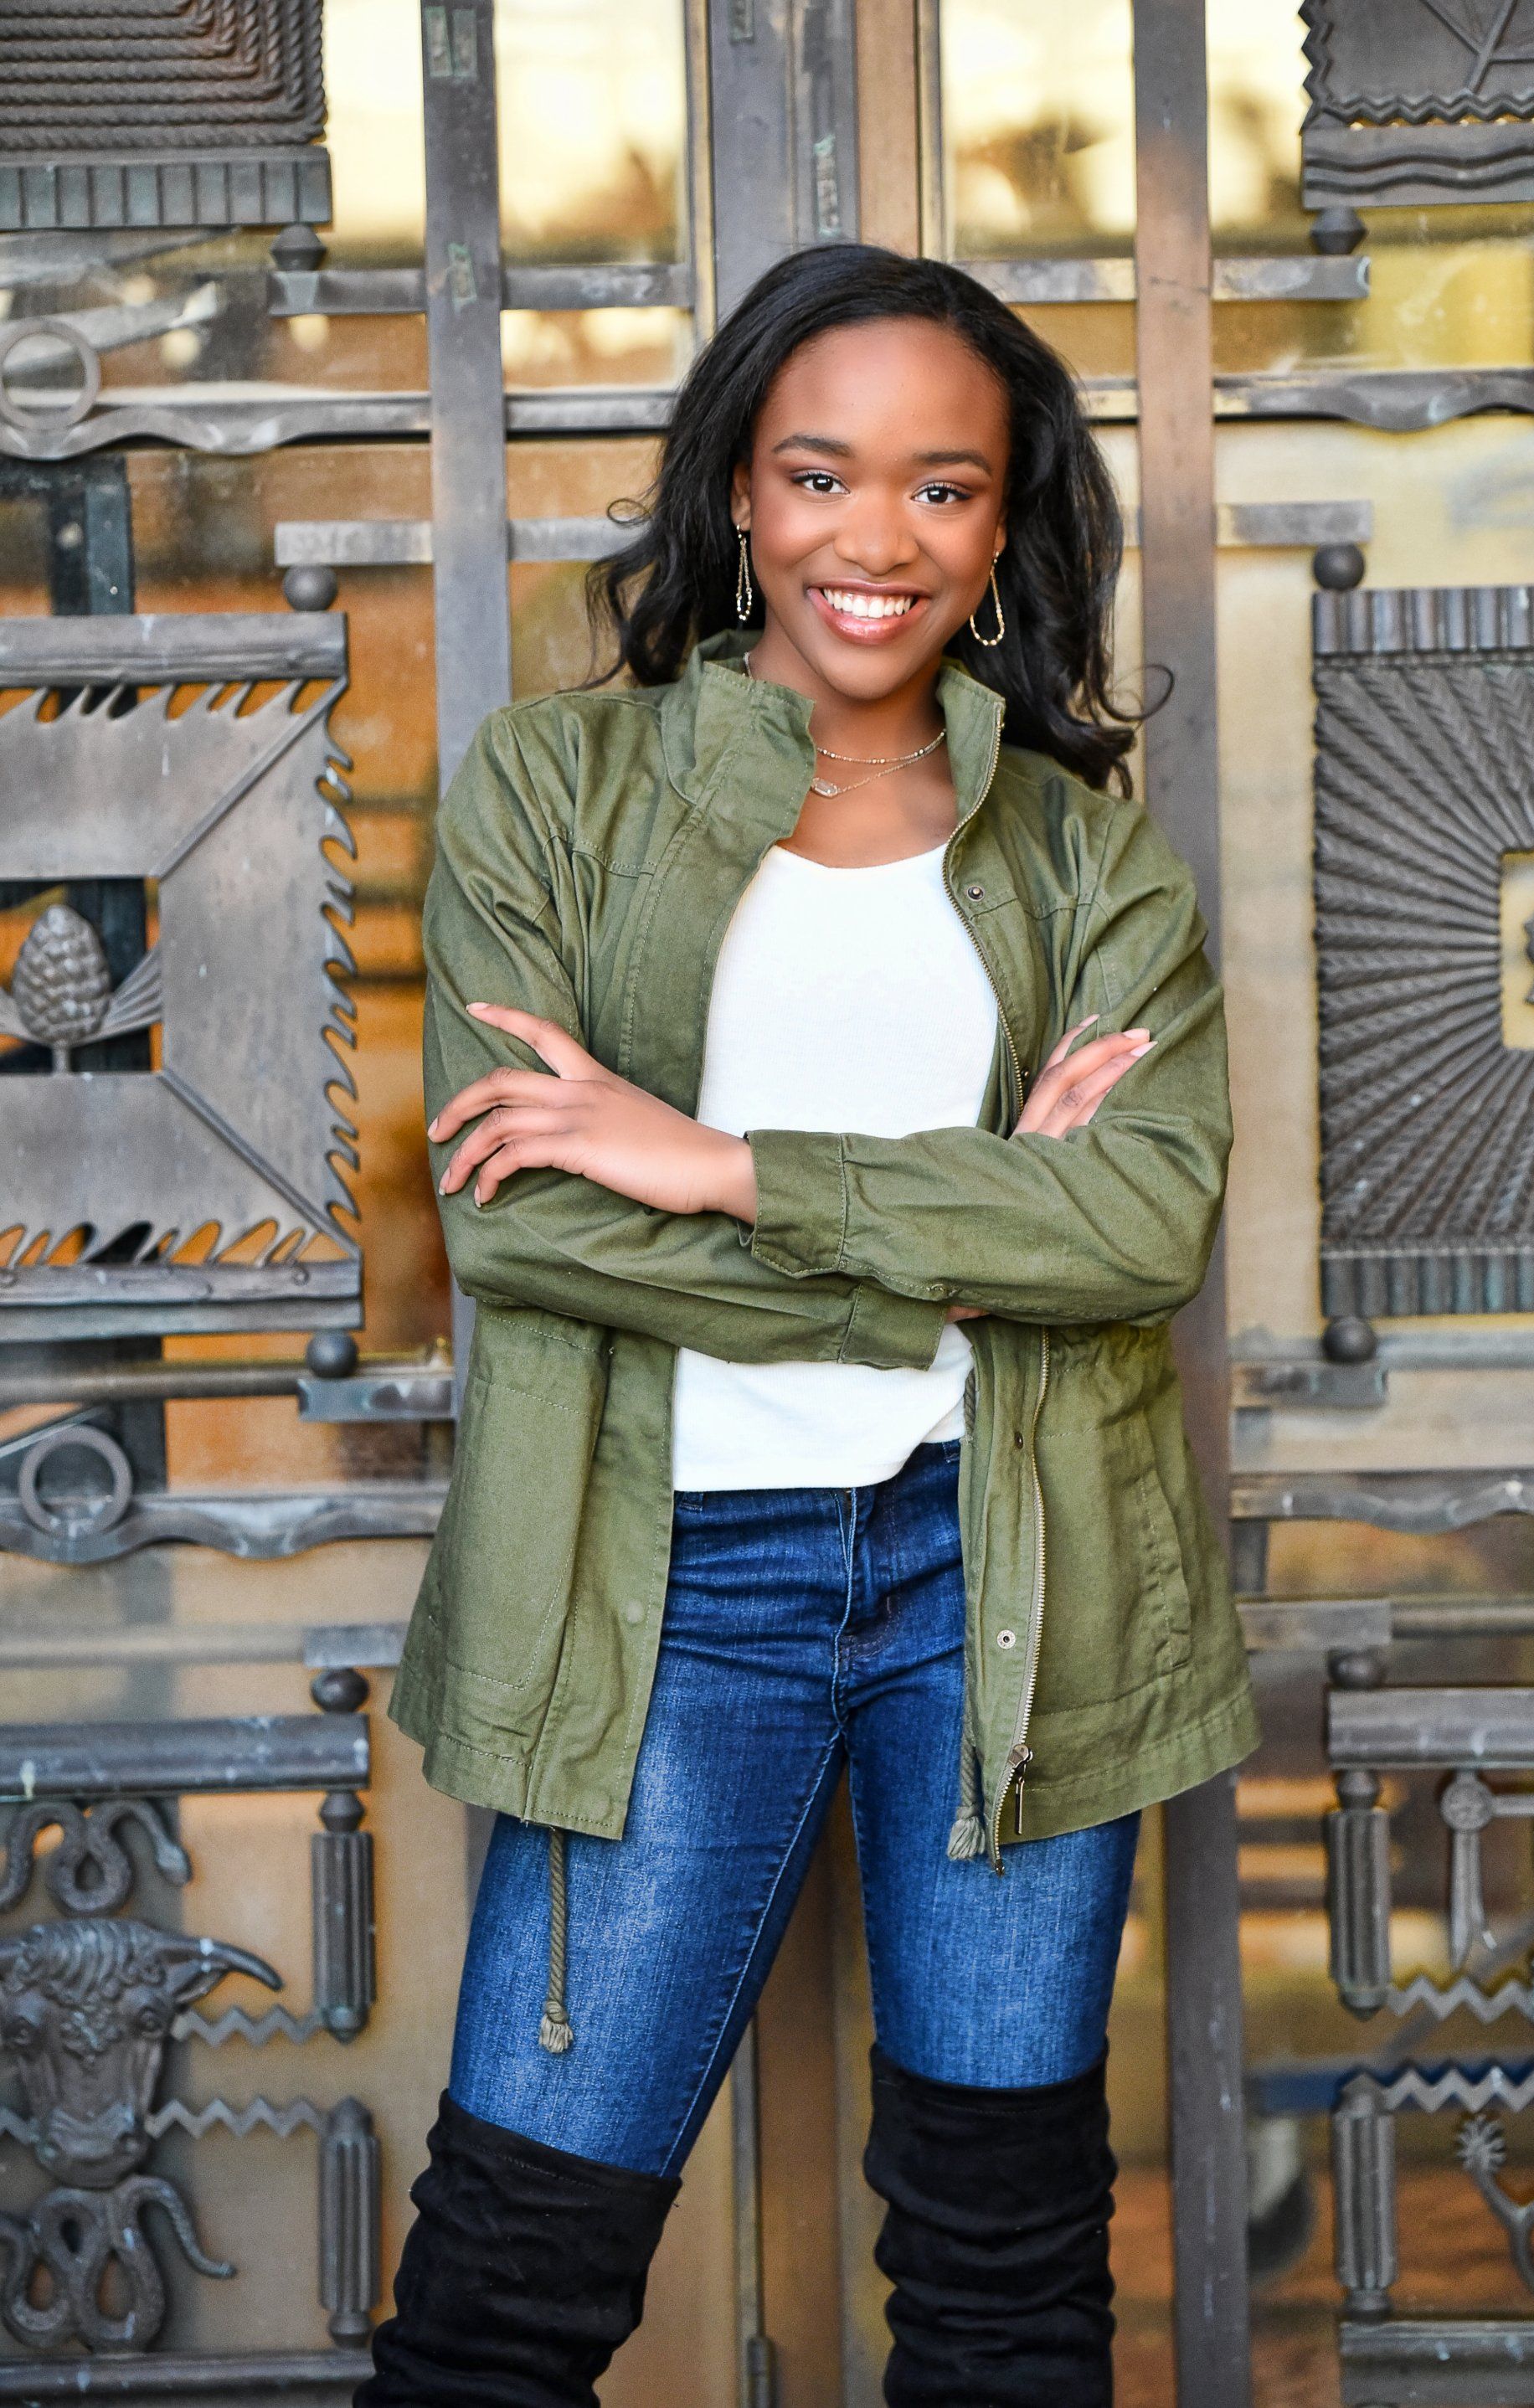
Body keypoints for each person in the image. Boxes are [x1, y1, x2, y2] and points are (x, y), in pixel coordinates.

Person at [358, 243, 1256, 2408]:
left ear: (1005, 523)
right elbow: (521, 1228)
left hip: (1011, 1584)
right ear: (740, 492)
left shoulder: (1087, 861)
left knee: (1006, 2278)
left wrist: (724, 1162)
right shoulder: (552, 792)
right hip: (664, 1591)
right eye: (822, 473)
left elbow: (1145, 1220)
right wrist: (975, 1230)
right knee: (510, 2288)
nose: (881, 537)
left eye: (944, 486)